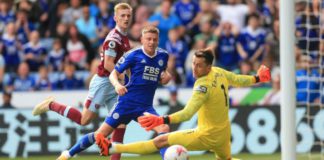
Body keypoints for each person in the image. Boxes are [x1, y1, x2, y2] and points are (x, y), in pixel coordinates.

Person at [95, 48, 271, 160]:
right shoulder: (219, 72)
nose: (194, 68)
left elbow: (187, 113)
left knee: (161, 140)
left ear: (208, 67)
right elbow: (238, 79)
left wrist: (162, 120)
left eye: (199, 66)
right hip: (224, 133)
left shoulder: (202, 86)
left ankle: (113, 148)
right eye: (193, 63)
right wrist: (257, 78)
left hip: (206, 134)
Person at [32, 3, 132, 160]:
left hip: (115, 85)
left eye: (128, 16)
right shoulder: (113, 39)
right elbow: (108, 64)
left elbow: (123, 64)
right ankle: (51, 105)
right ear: (115, 18)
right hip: (105, 82)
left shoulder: (125, 39)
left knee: (120, 123)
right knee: (84, 120)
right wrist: (122, 79)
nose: (126, 18)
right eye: (122, 16)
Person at [56, 25, 172, 160]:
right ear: (142, 39)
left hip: (145, 108)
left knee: (163, 129)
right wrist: (117, 85)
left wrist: (166, 77)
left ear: (158, 40)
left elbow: (163, 73)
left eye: (154, 39)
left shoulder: (163, 55)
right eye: (148, 39)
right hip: (125, 105)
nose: (151, 42)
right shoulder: (132, 55)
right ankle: (67, 154)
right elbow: (113, 74)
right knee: (99, 135)